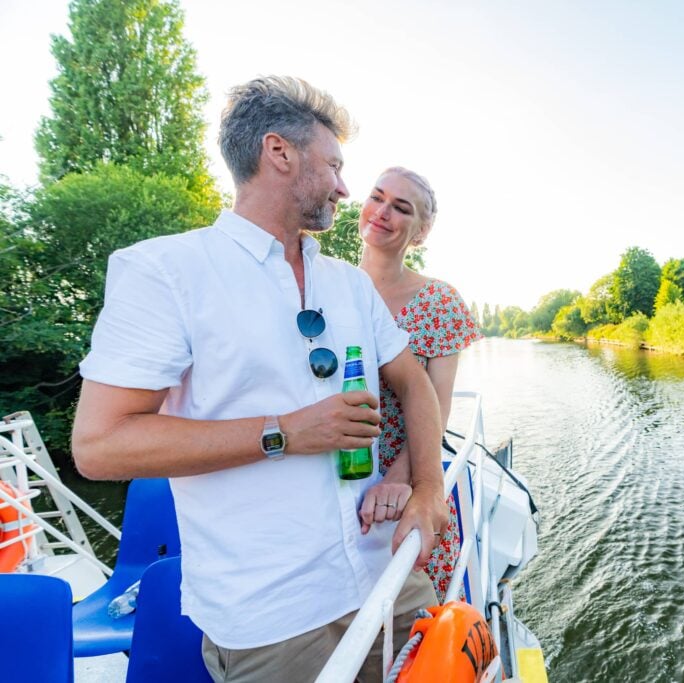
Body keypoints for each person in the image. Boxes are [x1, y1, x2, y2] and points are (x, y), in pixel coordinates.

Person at [71, 76, 448, 683]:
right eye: (334, 166)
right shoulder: (165, 271)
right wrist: (285, 432)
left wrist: (427, 487)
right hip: (272, 620)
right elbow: (99, 445)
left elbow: (416, 381)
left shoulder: (350, 284)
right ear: (280, 153)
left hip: (390, 580)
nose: (346, 188)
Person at [354, 167, 482, 600]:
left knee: (412, 606)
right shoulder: (326, 284)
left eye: (401, 208)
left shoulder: (439, 301)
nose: (383, 211)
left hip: (403, 471)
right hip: (330, 468)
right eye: (377, 197)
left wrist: (398, 479)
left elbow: (437, 406)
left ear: (421, 232)